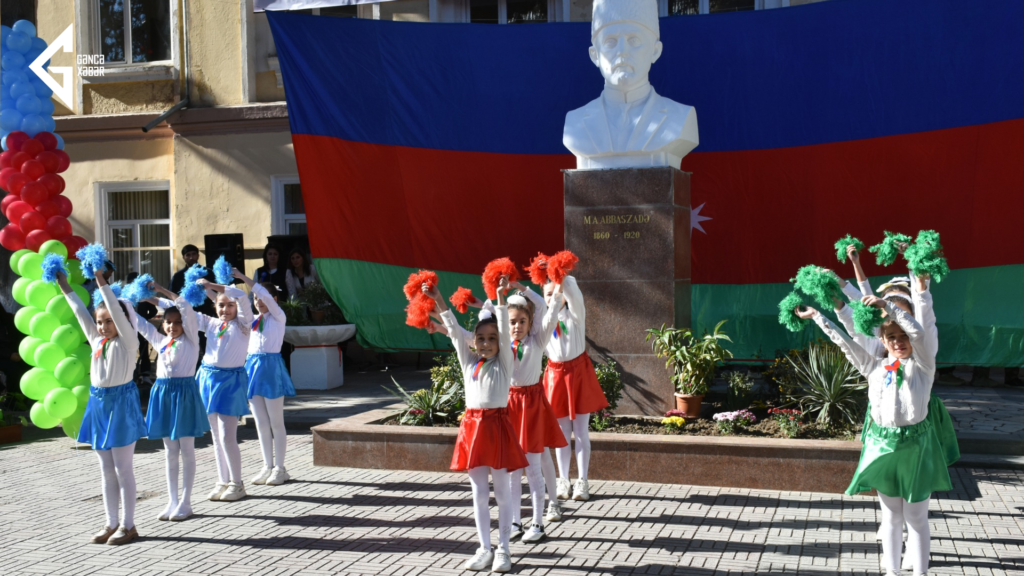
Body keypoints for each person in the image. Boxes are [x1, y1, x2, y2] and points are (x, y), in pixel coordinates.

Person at [797, 285, 953, 576]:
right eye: (891, 336)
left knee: (917, 519)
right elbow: (845, 343)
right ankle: (892, 572)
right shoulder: (874, 367)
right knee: (892, 517)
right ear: (882, 339)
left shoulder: (923, 366)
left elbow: (920, 334)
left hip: (917, 448)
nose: (899, 341)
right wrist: (819, 316)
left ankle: (920, 573)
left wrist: (890, 308)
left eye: (903, 336)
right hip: (883, 447)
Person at [426, 277, 527, 573]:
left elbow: (505, 331)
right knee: (479, 494)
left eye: (492, 338)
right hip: (473, 428)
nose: (485, 343)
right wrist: (439, 299)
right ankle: (484, 547)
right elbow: (456, 333)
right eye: (480, 338)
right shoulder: (469, 362)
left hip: (497, 427)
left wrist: (498, 297)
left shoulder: (506, 361)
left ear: (501, 341)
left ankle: (504, 550)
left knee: (503, 491)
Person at [56, 265, 147, 546]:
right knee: (105, 469)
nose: (103, 326)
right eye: (100, 322)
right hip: (98, 405)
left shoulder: (128, 341)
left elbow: (115, 311)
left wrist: (100, 280)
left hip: (121, 405)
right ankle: (110, 522)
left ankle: (129, 525)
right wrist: (63, 283)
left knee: (123, 468)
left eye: (108, 321)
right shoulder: (96, 340)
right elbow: (78, 311)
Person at [137, 280, 210, 522]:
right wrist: (128, 300)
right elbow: (140, 325)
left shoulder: (191, 339)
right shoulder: (160, 341)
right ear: (163, 323)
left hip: (185, 396)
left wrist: (159, 289)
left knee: (187, 449)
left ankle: (187, 502)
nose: (173, 326)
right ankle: (172, 500)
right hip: (164, 395)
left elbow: (185, 306)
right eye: (168, 322)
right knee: (169, 451)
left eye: (178, 322)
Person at [503, 282, 566, 542]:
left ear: (530, 322)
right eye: (512, 322)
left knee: (533, 467)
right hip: (510, 407)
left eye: (522, 321)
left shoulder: (538, 339)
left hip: (531, 406)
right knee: (512, 471)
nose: (517, 326)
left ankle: (538, 523)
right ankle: (516, 521)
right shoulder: (504, 342)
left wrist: (522, 288)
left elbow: (545, 306)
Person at [542, 267, 608, 502]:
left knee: (580, 432)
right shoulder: (542, 322)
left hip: (579, 374)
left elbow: (574, 293)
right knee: (561, 433)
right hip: (555, 376)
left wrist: (558, 273)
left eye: (556, 293)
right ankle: (563, 480)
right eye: (548, 294)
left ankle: (582, 481)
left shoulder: (575, 315)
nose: (553, 298)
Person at [195, 276, 254, 502]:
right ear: (215, 305)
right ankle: (223, 480)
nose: (226, 309)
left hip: (230, 383)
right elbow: (184, 311)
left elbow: (240, 295)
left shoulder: (243, 324)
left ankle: (237, 484)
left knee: (228, 436)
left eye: (230, 305)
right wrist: (156, 295)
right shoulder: (211, 323)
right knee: (215, 436)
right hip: (208, 379)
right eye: (221, 305)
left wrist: (211, 285)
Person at [236, 271, 296, 486]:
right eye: (255, 299)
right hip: (252, 369)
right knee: (261, 422)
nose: (259, 302)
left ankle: (280, 468)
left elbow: (266, 297)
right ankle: (267, 466)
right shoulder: (252, 321)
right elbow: (236, 302)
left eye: (262, 298)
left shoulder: (279, 316)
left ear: (273, 300)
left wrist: (243, 277)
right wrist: (212, 287)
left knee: (275, 421)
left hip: (271, 370)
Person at [171, 245, 215, 370]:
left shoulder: (208, 273)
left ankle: (208, 369)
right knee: (188, 346)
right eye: (188, 255)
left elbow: (218, 293)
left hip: (206, 315)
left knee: (207, 345)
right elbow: (173, 297)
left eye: (193, 254)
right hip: (186, 317)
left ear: (198, 255)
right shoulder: (179, 276)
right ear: (183, 257)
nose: (191, 257)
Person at [126, 272, 157, 381]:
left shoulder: (144, 296)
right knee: (128, 351)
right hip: (127, 328)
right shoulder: (124, 297)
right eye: (130, 283)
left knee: (143, 350)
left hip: (141, 328)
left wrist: (144, 320)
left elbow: (153, 311)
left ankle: (145, 374)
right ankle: (130, 374)